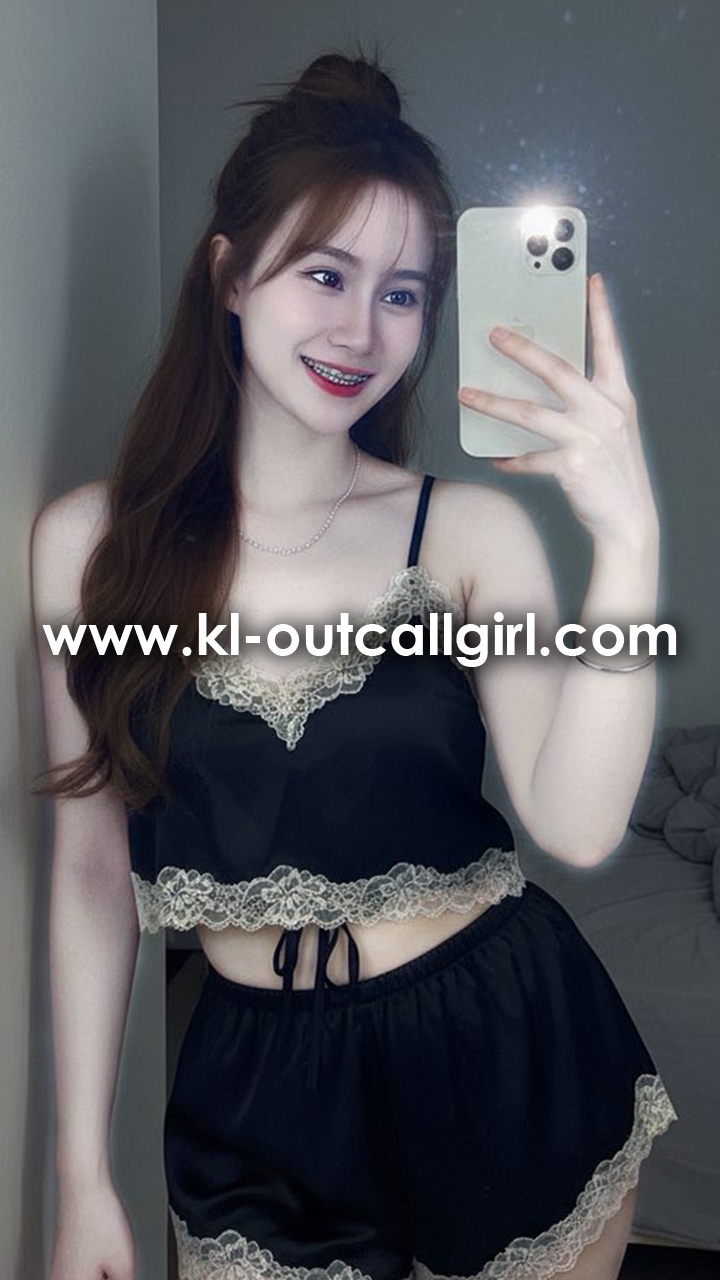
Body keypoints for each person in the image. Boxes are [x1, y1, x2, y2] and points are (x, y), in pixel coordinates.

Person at [31, 48, 677, 1280]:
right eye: (325, 273)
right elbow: (91, 872)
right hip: (255, 1082)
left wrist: (628, 538)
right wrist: (81, 1177)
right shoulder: (86, 547)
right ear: (230, 274)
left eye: (403, 292)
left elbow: (579, 822)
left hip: (499, 1036)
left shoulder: (470, 534)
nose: (361, 329)